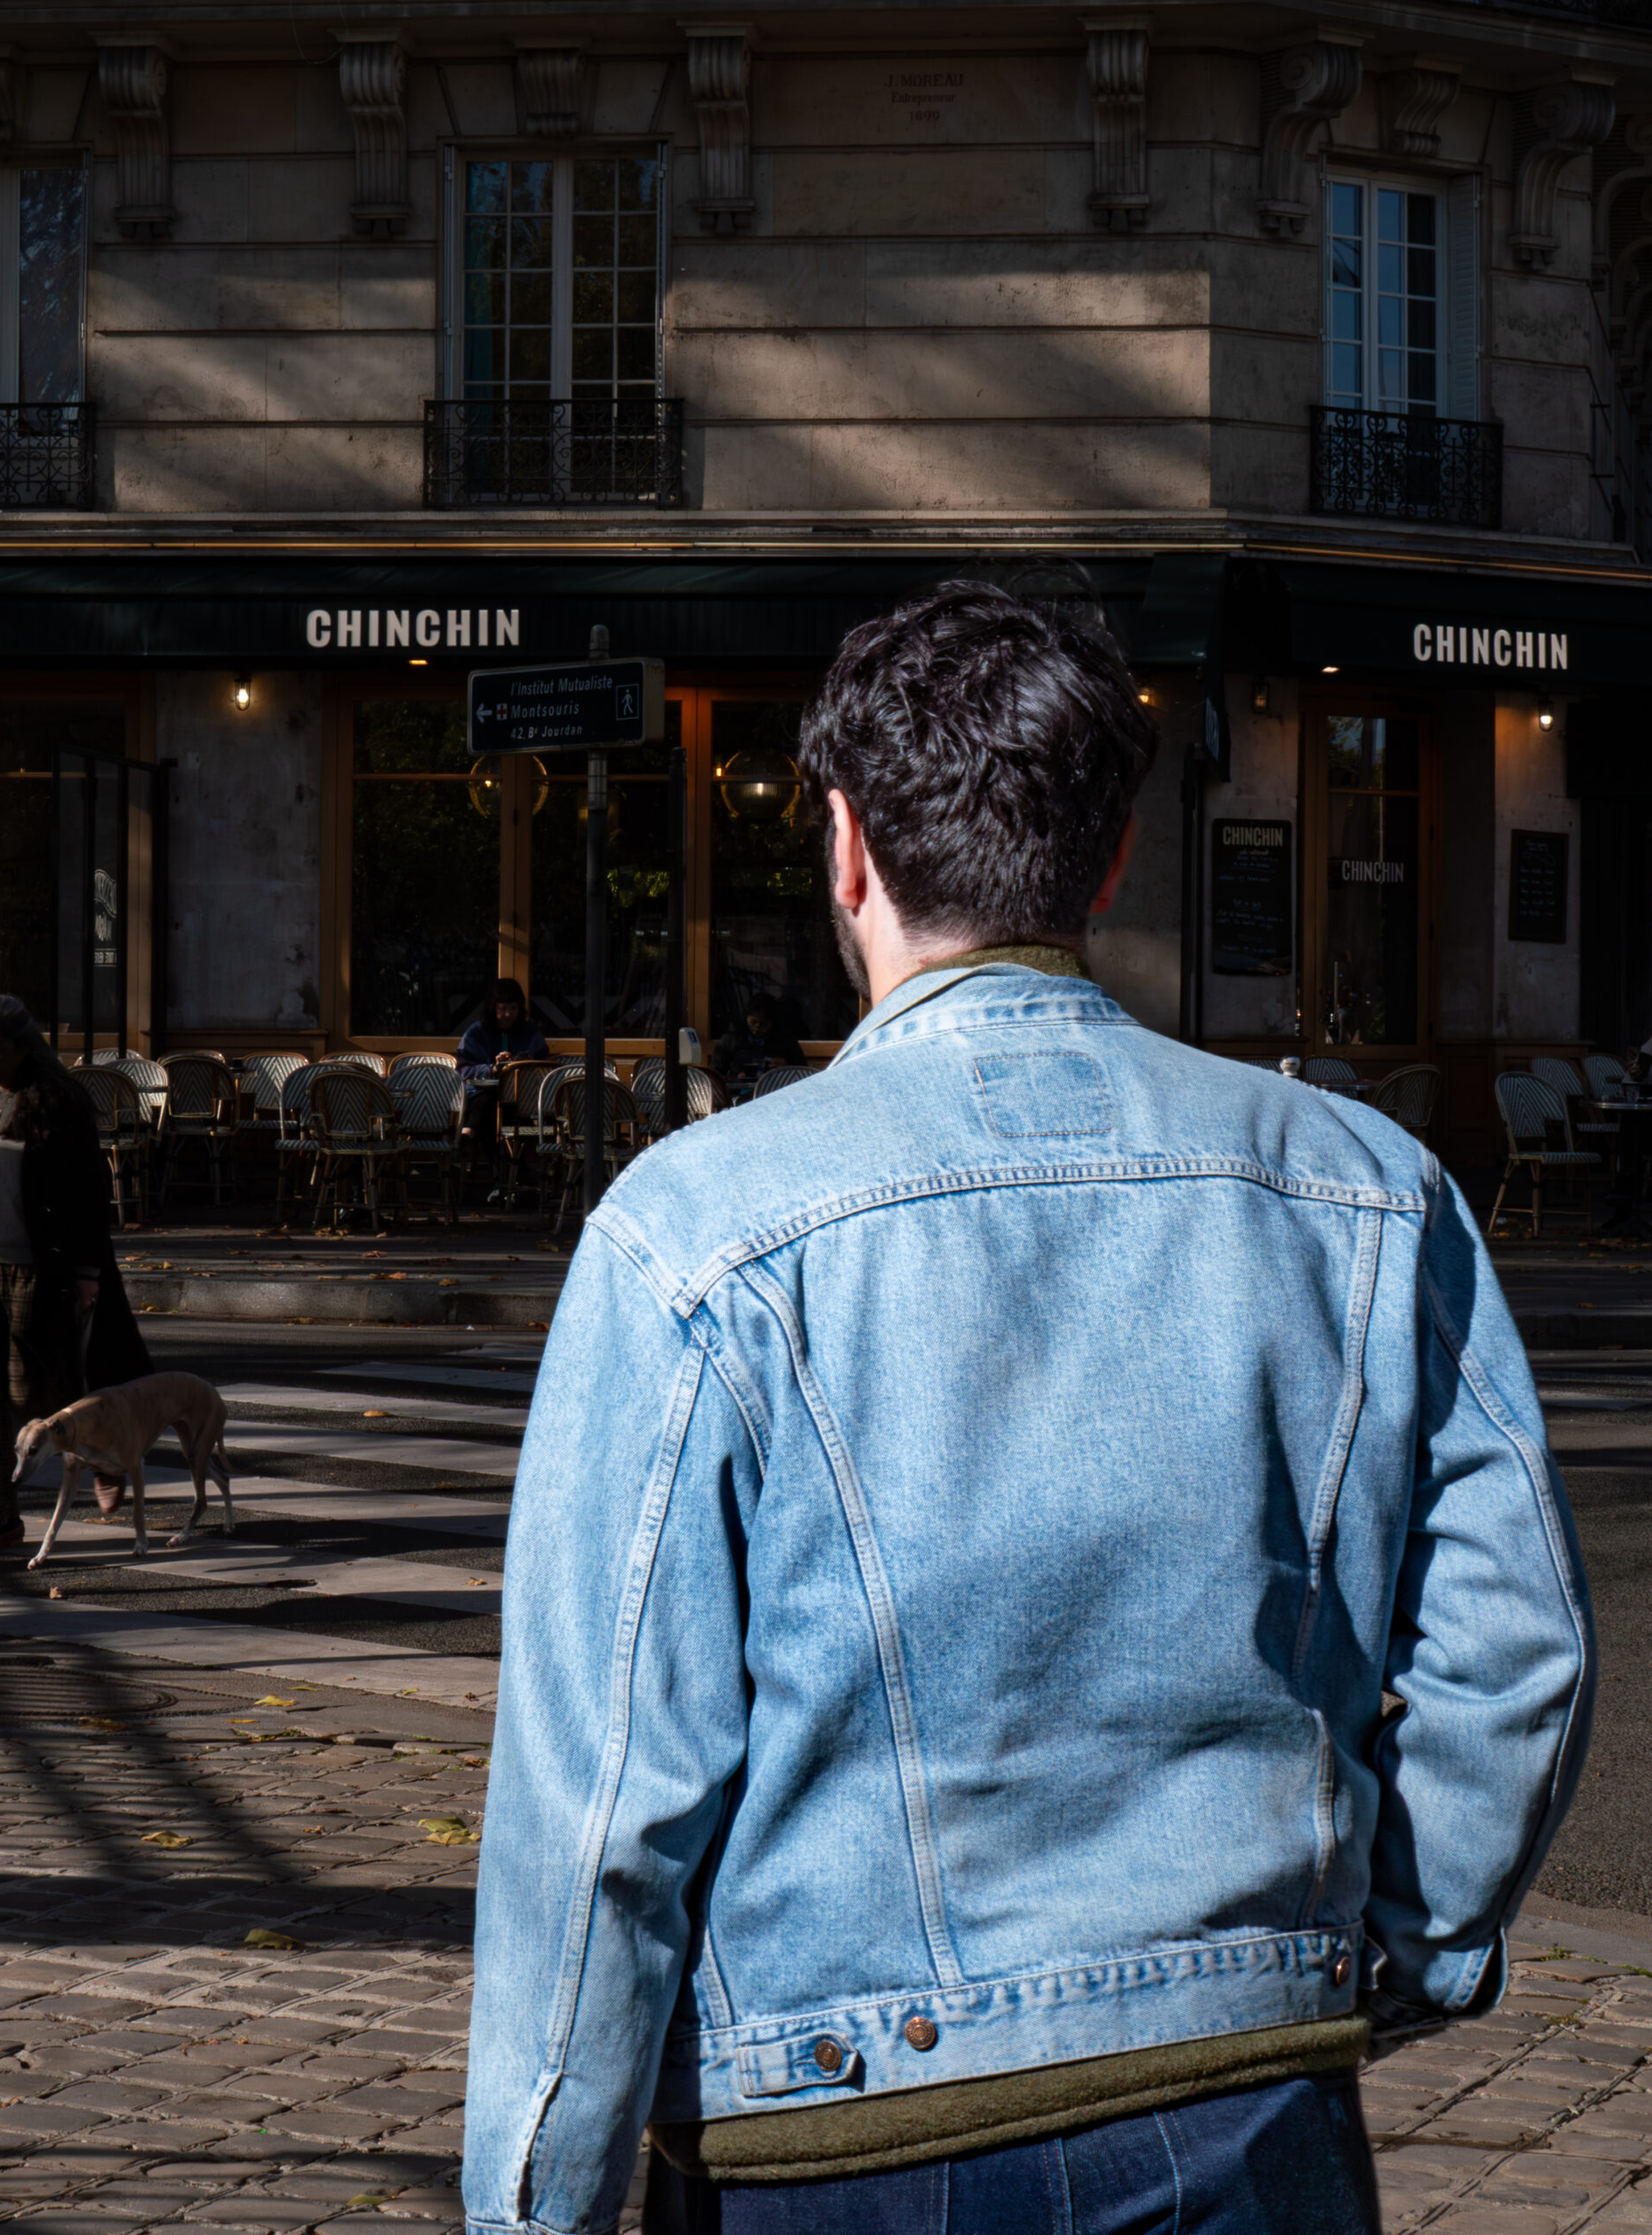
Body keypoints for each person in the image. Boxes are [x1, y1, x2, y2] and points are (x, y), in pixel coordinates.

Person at [462, 583, 1593, 2235]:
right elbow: (1513, 1642)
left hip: (843, 2133)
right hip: (1244, 2087)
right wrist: (1390, 1949)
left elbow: (599, 1801)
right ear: (1108, 862)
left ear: (843, 847)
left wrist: (534, 2205)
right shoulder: (1364, 1187)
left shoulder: (693, 1229)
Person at [0, 994, 155, 1555]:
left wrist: (85, 1271)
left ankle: (101, 1455)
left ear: (25, 1047)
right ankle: (2, 1521)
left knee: (37, 1395)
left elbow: (86, 1193)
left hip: (36, 1269)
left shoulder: (58, 1101)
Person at [458, 980, 550, 1084]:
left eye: (513, 1008)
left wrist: (524, 1066)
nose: (508, 1014)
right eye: (503, 1008)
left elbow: (545, 1069)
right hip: (482, 1094)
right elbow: (462, 1072)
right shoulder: (475, 1034)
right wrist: (493, 1069)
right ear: (493, 1008)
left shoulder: (531, 1033)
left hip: (523, 1094)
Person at [715, 994, 806, 1082]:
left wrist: (788, 1068)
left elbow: (804, 1074)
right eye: (753, 1022)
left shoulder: (785, 1040)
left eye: (764, 1024)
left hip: (773, 1090)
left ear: (773, 1023)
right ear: (746, 1017)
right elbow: (715, 1073)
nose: (757, 1028)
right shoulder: (733, 1037)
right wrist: (734, 1078)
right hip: (738, 1092)